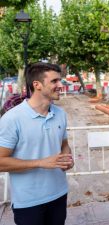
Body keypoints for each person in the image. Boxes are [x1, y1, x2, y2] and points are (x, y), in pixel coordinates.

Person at [0, 62, 74, 225]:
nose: (60, 85)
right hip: (28, 202)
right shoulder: (12, 119)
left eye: (60, 80)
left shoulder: (60, 114)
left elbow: (63, 143)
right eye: (54, 81)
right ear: (37, 85)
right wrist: (41, 163)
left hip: (59, 194)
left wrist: (67, 157)